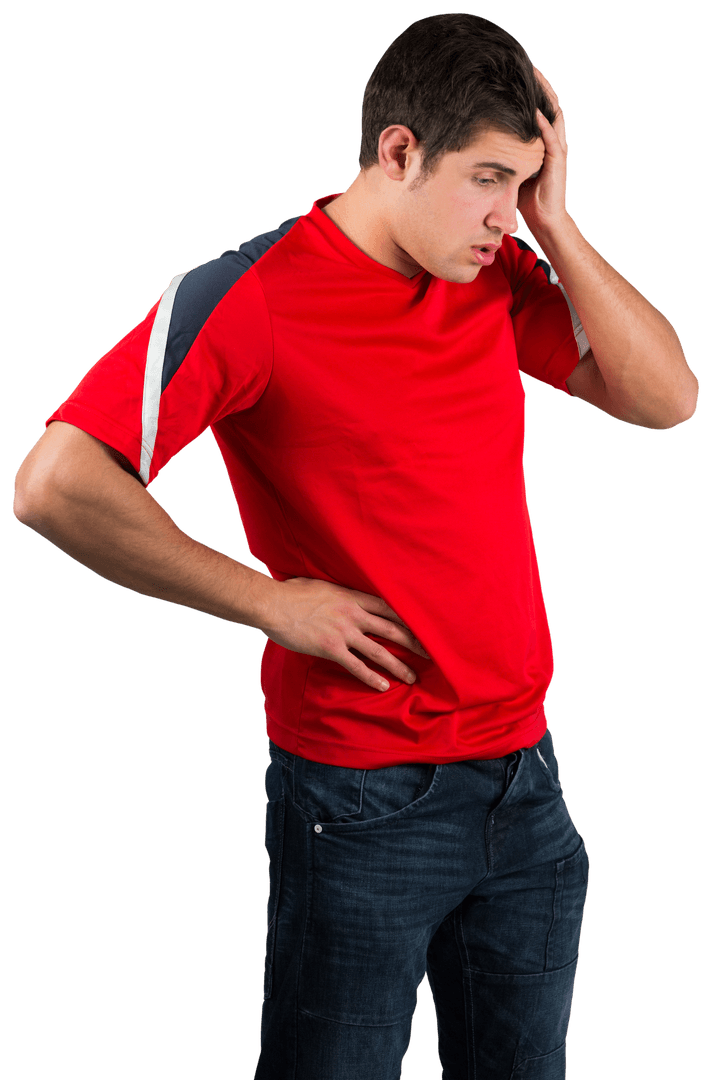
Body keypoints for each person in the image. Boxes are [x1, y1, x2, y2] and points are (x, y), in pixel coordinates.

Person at [13, 11, 697, 1079]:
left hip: (526, 782)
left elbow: (667, 400)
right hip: (363, 797)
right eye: (487, 179)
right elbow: (55, 482)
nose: (504, 213)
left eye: (523, 183)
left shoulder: (492, 272)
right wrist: (267, 601)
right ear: (398, 151)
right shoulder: (249, 295)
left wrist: (555, 227)